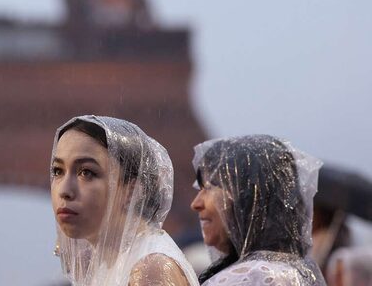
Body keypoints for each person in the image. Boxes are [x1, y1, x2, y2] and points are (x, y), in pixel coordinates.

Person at [50, 115, 199, 286]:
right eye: (57, 171)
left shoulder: (149, 271)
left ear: (132, 191)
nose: (64, 190)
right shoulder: (109, 264)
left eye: (86, 172)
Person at [190, 135, 326, 285]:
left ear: (249, 198)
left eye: (208, 188)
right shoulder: (297, 270)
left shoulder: (248, 278)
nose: (196, 204)